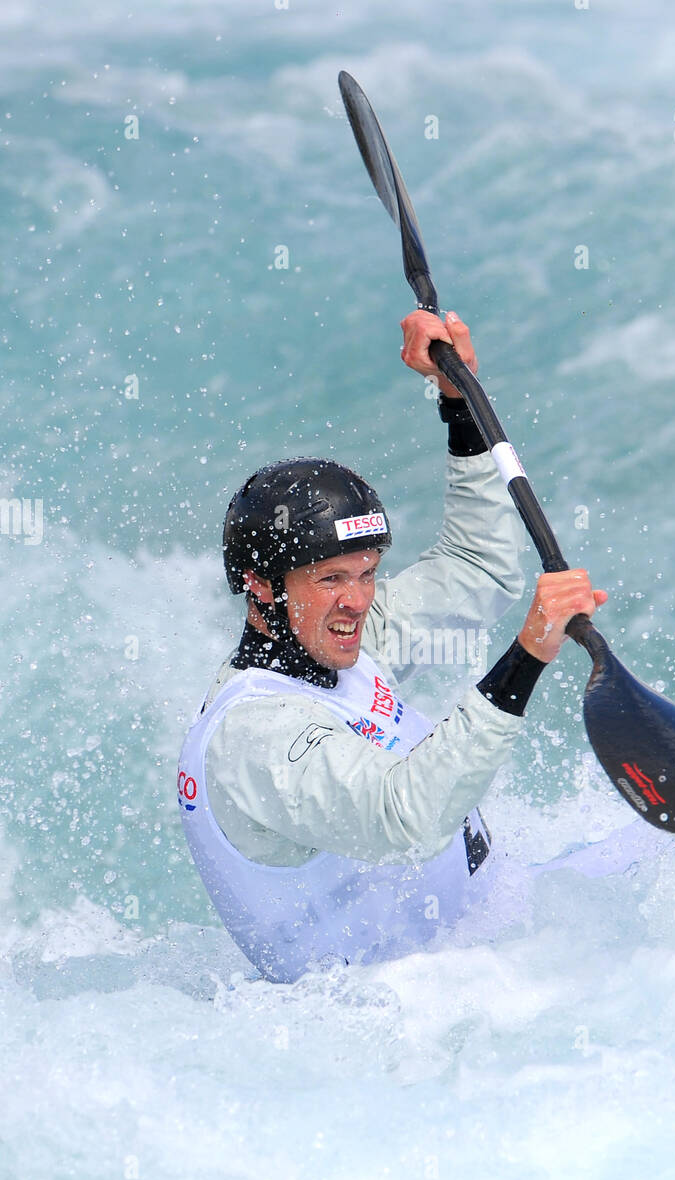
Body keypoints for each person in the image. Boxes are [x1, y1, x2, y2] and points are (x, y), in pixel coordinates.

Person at [178, 309, 606, 982]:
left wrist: (458, 404)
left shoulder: (340, 638)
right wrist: (527, 656)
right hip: (396, 1025)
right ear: (260, 588)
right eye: (330, 579)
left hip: (485, 944)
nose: (358, 598)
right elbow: (404, 816)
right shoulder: (254, 738)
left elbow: (477, 568)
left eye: (368, 572)